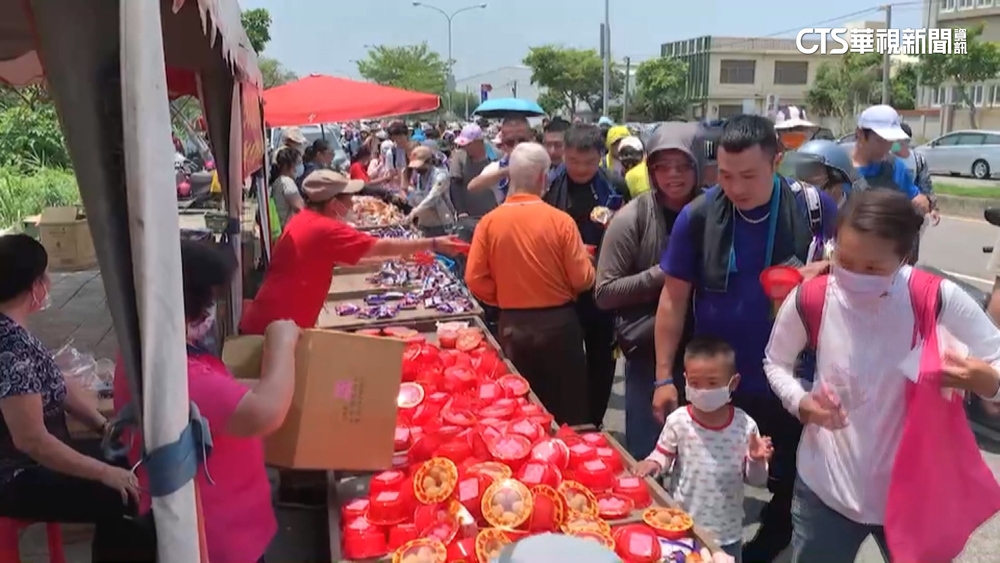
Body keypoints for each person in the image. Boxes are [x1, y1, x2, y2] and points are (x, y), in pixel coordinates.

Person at [764, 189, 1000, 563]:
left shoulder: (934, 297)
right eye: (843, 259)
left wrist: (988, 381)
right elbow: (775, 362)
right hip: (825, 493)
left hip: (911, 497)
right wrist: (801, 402)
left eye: (872, 268)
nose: (854, 276)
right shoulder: (813, 297)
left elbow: (996, 354)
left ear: (904, 257)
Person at [653, 114, 838, 562]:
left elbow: (859, 268)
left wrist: (825, 271)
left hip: (796, 378)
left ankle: (769, 543)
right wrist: (663, 377)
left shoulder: (815, 208)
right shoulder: (698, 216)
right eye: (726, 176)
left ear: (777, 160)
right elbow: (673, 300)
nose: (735, 188)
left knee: (795, 480)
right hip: (723, 385)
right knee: (716, 477)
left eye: (749, 176)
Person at [113, 241, 301, 563]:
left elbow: (221, 397)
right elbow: (265, 413)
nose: (213, 309)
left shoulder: (155, 353)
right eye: (210, 299)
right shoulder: (175, 373)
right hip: (212, 534)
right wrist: (282, 343)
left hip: (226, 518)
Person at [0, 234, 146, 563]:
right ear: (34, 286)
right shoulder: (11, 349)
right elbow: (31, 441)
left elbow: (57, 384)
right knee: (127, 494)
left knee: (132, 463)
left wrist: (103, 426)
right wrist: (103, 473)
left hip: (37, 459)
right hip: (17, 476)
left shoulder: (15, 333)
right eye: (44, 277)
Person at [239, 170, 466, 334]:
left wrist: (399, 257)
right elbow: (378, 246)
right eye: (348, 197)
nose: (353, 202)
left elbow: (353, 258)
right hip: (275, 327)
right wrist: (433, 243)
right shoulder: (324, 228)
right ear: (333, 203)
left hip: (276, 319)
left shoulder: (304, 220)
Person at [464, 143, 594, 425]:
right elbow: (583, 279)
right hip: (559, 326)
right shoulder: (561, 222)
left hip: (513, 326)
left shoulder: (489, 222)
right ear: (542, 178)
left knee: (521, 414)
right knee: (568, 414)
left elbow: (474, 278)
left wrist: (503, 297)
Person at [594, 123, 702, 460]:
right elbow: (605, 292)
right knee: (650, 452)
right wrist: (668, 271)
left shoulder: (716, 211)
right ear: (650, 170)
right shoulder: (633, 218)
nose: (673, 175)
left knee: (703, 457)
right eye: (662, 166)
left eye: (683, 165)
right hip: (648, 357)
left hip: (709, 354)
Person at [635, 337, 773, 563]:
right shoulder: (678, 421)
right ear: (685, 380)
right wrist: (652, 463)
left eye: (712, 383)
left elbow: (757, 480)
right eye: (695, 383)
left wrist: (757, 460)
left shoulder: (745, 426)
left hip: (727, 536)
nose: (703, 390)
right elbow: (663, 455)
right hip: (683, 527)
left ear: (733, 383)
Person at [545, 124, 630, 429]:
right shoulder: (549, 185)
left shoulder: (616, 186)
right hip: (560, 286)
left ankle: (593, 421)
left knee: (601, 356)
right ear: (563, 155)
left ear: (602, 157)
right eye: (573, 161)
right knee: (564, 356)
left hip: (601, 286)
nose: (580, 169)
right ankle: (564, 419)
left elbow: (628, 231)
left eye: (589, 162)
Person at [850, 105, 930, 215]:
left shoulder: (895, 167)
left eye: (891, 141)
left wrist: (923, 202)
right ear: (860, 134)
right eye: (880, 141)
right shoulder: (840, 169)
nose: (886, 148)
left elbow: (917, 199)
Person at [467, 117, 535, 203]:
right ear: (503, 143)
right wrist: (505, 172)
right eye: (510, 142)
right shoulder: (498, 167)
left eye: (522, 141)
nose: (517, 146)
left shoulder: (541, 164)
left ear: (531, 139)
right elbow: (472, 187)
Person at [449, 123, 498, 223]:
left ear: (478, 142)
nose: (465, 147)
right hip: (470, 216)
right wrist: (461, 211)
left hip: (495, 212)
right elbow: (455, 186)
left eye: (468, 144)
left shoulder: (496, 155)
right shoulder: (459, 157)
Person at [786, 140, 859, 207]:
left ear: (837, 177)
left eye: (812, 173)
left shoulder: (860, 214)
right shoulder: (797, 214)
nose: (803, 184)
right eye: (801, 173)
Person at [404, 145, 455, 237]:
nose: (416, 169)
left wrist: (415, 211)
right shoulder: (420, 176)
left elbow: (433, 197)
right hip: (424, 223)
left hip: (440, 223)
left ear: (429, 162)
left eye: (420, 166)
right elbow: (418, 194)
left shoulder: (440, 176)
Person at [270, 146, 304, 230]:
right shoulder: (287, 182)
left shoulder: (278, 181)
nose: (300, 167)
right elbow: (300, 208)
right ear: (287, 166)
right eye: (298, 163)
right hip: (288, 229)